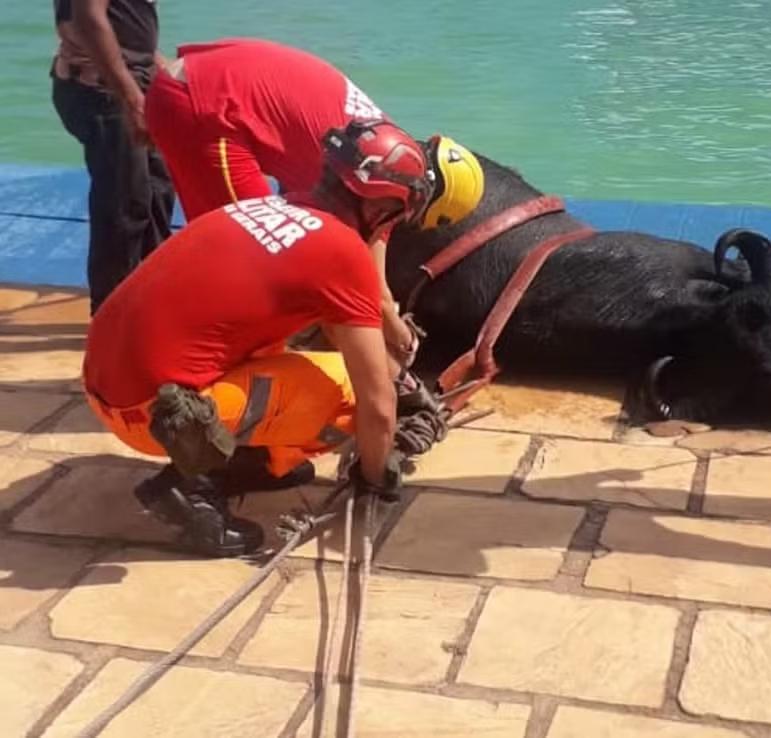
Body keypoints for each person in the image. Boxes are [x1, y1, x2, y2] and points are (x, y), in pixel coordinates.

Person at [82, 119, 445, 557]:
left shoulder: (264, 209)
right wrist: (377, 479)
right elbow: (379, 404)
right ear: (380, 206)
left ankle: (247, 461)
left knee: (278, 350)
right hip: (155, 416)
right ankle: (188, 488)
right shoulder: (342, 252)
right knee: (350, 397)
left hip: (105, 387)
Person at [143, 37, 485, 370]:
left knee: (262, 251)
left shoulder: (381, 140)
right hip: (208, 110)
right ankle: (230, 376)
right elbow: (365, 290)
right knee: (255, 259)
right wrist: (399, 344)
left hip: (200, 79)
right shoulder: (388, 178)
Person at [51, 0, 174, 314]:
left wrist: (163, 69)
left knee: (159, 192)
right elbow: (88, 17)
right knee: (126, 202)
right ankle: (112, 315)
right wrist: (131, 99)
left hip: (135, 81)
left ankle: (153, 300)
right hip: (105, 90)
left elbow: (129, 26)